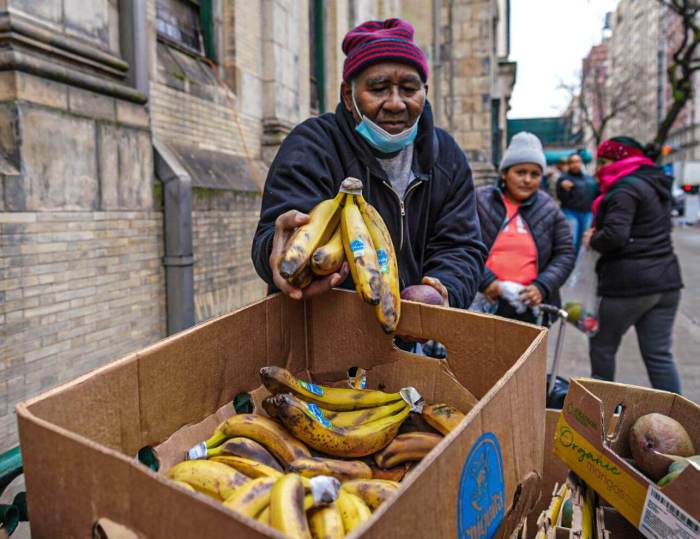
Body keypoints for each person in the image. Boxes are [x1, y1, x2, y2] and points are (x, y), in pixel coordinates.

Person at [251, 18, 487, 310]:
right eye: (378, 88)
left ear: (424, 91)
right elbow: (272, 239)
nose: (396, 103)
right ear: (348, 96)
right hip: (319, 330)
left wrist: (444, 290)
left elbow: (461, 246)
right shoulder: (311, 147)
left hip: (412, 338)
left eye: (409, 89)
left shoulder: (446, 156)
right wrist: (275, 252)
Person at [584, 136, 683, 393]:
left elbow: (615, 236)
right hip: (666, 283)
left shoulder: (624, 189)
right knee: (659, 356)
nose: (598, 170)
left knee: (602, 347)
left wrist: (593, 238)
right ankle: (683, 422)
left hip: (628, 284)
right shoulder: (655, 183)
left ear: (620, 160)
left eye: (603, 161)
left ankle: (602, 413)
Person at [476, 132, 576, 324]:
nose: (528, 180)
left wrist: (542, 286)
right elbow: (462, 245)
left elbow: (565, 253)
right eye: (520, 172)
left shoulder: (549, 208)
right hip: (484, 300)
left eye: (535, 174)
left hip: (530, 306)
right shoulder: (479, 201)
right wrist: (487, 281)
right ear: (504, 173)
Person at [557, 153, 598, 254]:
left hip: (587, 213)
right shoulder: (563, 179)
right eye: (572, 162)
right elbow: (561, 197)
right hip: (571, 212)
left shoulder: (590, 179)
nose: (575, 164)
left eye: (577, 161)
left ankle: (580, 266)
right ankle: (569, 263)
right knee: (572, 240)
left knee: (584, 242)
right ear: (569, 164)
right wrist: (564, 189)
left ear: (581, 163)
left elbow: (596, 194)